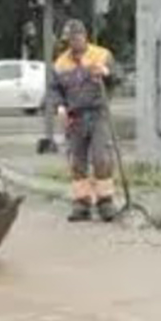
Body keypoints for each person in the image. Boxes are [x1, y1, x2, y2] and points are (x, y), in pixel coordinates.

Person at [48, 19, 121, 222]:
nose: (72, 42)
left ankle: (105, 202)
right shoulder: (61, 63)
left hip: (98, 113)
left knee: (101, 158)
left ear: (83, 36)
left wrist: (106, 72)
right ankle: (82, 204)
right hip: (75, 117)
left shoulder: (101, 55)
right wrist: (60, 106)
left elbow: (117, 77)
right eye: (68, 39)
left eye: (75, 38)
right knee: (77, 161)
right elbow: (54, 89)